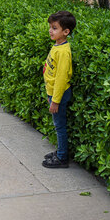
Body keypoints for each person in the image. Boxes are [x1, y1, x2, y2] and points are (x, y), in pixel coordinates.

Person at [42, 11, 75, 169]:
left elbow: (62, 79)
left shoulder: (63, 52)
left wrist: (55, 101)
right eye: (50, 27)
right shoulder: (58, 46)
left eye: (54, 28)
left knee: (60, 126)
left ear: (66, 32)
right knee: (58, 125)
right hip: (53, 93)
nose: (50, 30)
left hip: (58, 95)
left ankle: (62, 157)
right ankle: (60, 152)